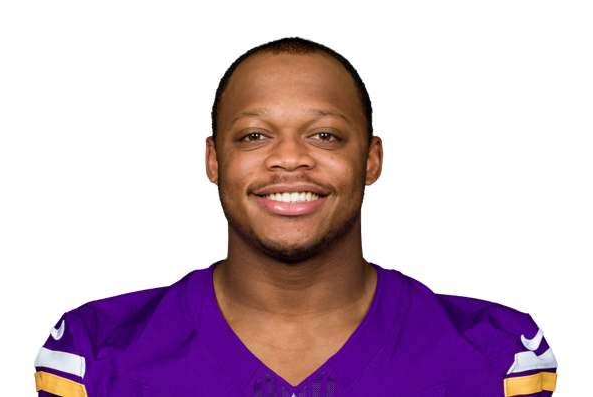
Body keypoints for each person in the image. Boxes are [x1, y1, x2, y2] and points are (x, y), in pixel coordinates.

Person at [33, 37, 558, 397]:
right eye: (254, 135)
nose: (289, 159)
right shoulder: (92, 353)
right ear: (213, 161)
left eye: (324, 135)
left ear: (372, 159)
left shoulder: (501, 355)